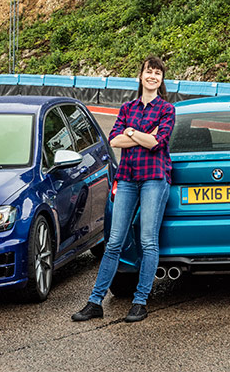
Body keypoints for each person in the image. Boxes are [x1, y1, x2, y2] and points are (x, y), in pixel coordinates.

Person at [71, 56, 175, 323]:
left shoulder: (167, 109)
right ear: (140, 77)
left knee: (148, 240)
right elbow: (114, 139)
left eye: (158, 73)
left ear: (161, 80)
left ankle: (140, 301)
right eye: (149, 72)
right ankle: (95, 302)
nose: (153, 76)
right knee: (114, 241)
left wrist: (132, 134)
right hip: (127, 178)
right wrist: (138, 134)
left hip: (155, 178)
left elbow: (156, 143)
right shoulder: (127, 107)